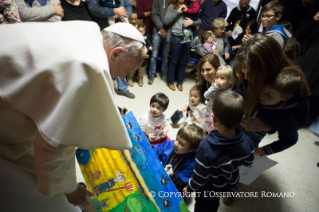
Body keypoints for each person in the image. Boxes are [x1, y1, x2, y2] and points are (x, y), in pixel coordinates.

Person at [0, 21, 146, 211]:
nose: (123, 77)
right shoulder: (89, 66)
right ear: (116, 53)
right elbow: (55, 141)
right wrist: (70, 190)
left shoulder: (88, 29)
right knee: (35, 194)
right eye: (127, 70)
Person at [183, 92, 254, 212]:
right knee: (214, 202)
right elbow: (249, 162)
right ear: (241, 118)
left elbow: (200, 176)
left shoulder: (206, 147)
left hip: (207, 188)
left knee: (203, 206)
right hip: (227, 184)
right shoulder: (247, 141)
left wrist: (190, 188)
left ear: (213, 117)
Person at [235, 34, 310, 133]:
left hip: (259, 129)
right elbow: (240, 91)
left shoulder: (290, 84)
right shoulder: (244, 64)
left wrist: (269, 127)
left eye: (253, 73)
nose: (246, 77)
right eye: (244, 69)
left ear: (270, 68)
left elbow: (300, 122)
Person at [252, 66, 310, 156]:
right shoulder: (256, 96)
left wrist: (265, 150)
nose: (262, 96)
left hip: (252, 140)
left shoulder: (285, 118)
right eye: (262, 90)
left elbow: (290, 139)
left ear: (286, 97)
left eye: (269, 95)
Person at [153, 124, 205, 192]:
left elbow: (181, 184)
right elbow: (156, 149)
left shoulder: (193, 163)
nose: (176, 143)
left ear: (191, 149)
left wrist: (172, 175)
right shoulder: (171, 144)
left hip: (174, 186)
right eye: (176, 138)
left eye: (181, 143)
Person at [296, 11, 319, 123]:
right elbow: (299, 35)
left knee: (314, 94)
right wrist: (314, 19)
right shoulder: (315, 19)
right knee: (299, 87)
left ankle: (307, 117)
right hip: (309, 58)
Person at [164, 0, 191, 91]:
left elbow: (199, 21)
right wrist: (177, 12)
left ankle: (180, 82)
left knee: (183, 62)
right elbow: (166, 21)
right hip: (176, 37)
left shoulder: (190, 6)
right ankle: (170, 82)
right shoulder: (172, 6)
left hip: (187, 38)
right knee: (174, 61)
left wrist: (192, 22)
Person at [149, 0, 169, 84]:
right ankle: (151, 75)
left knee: (166, 55)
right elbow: (154, 15)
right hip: (157, 30)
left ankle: (164, 75)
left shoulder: (173, 1)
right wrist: (161, 28)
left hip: (169, 31)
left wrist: (166, 29)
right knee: (154, 54)